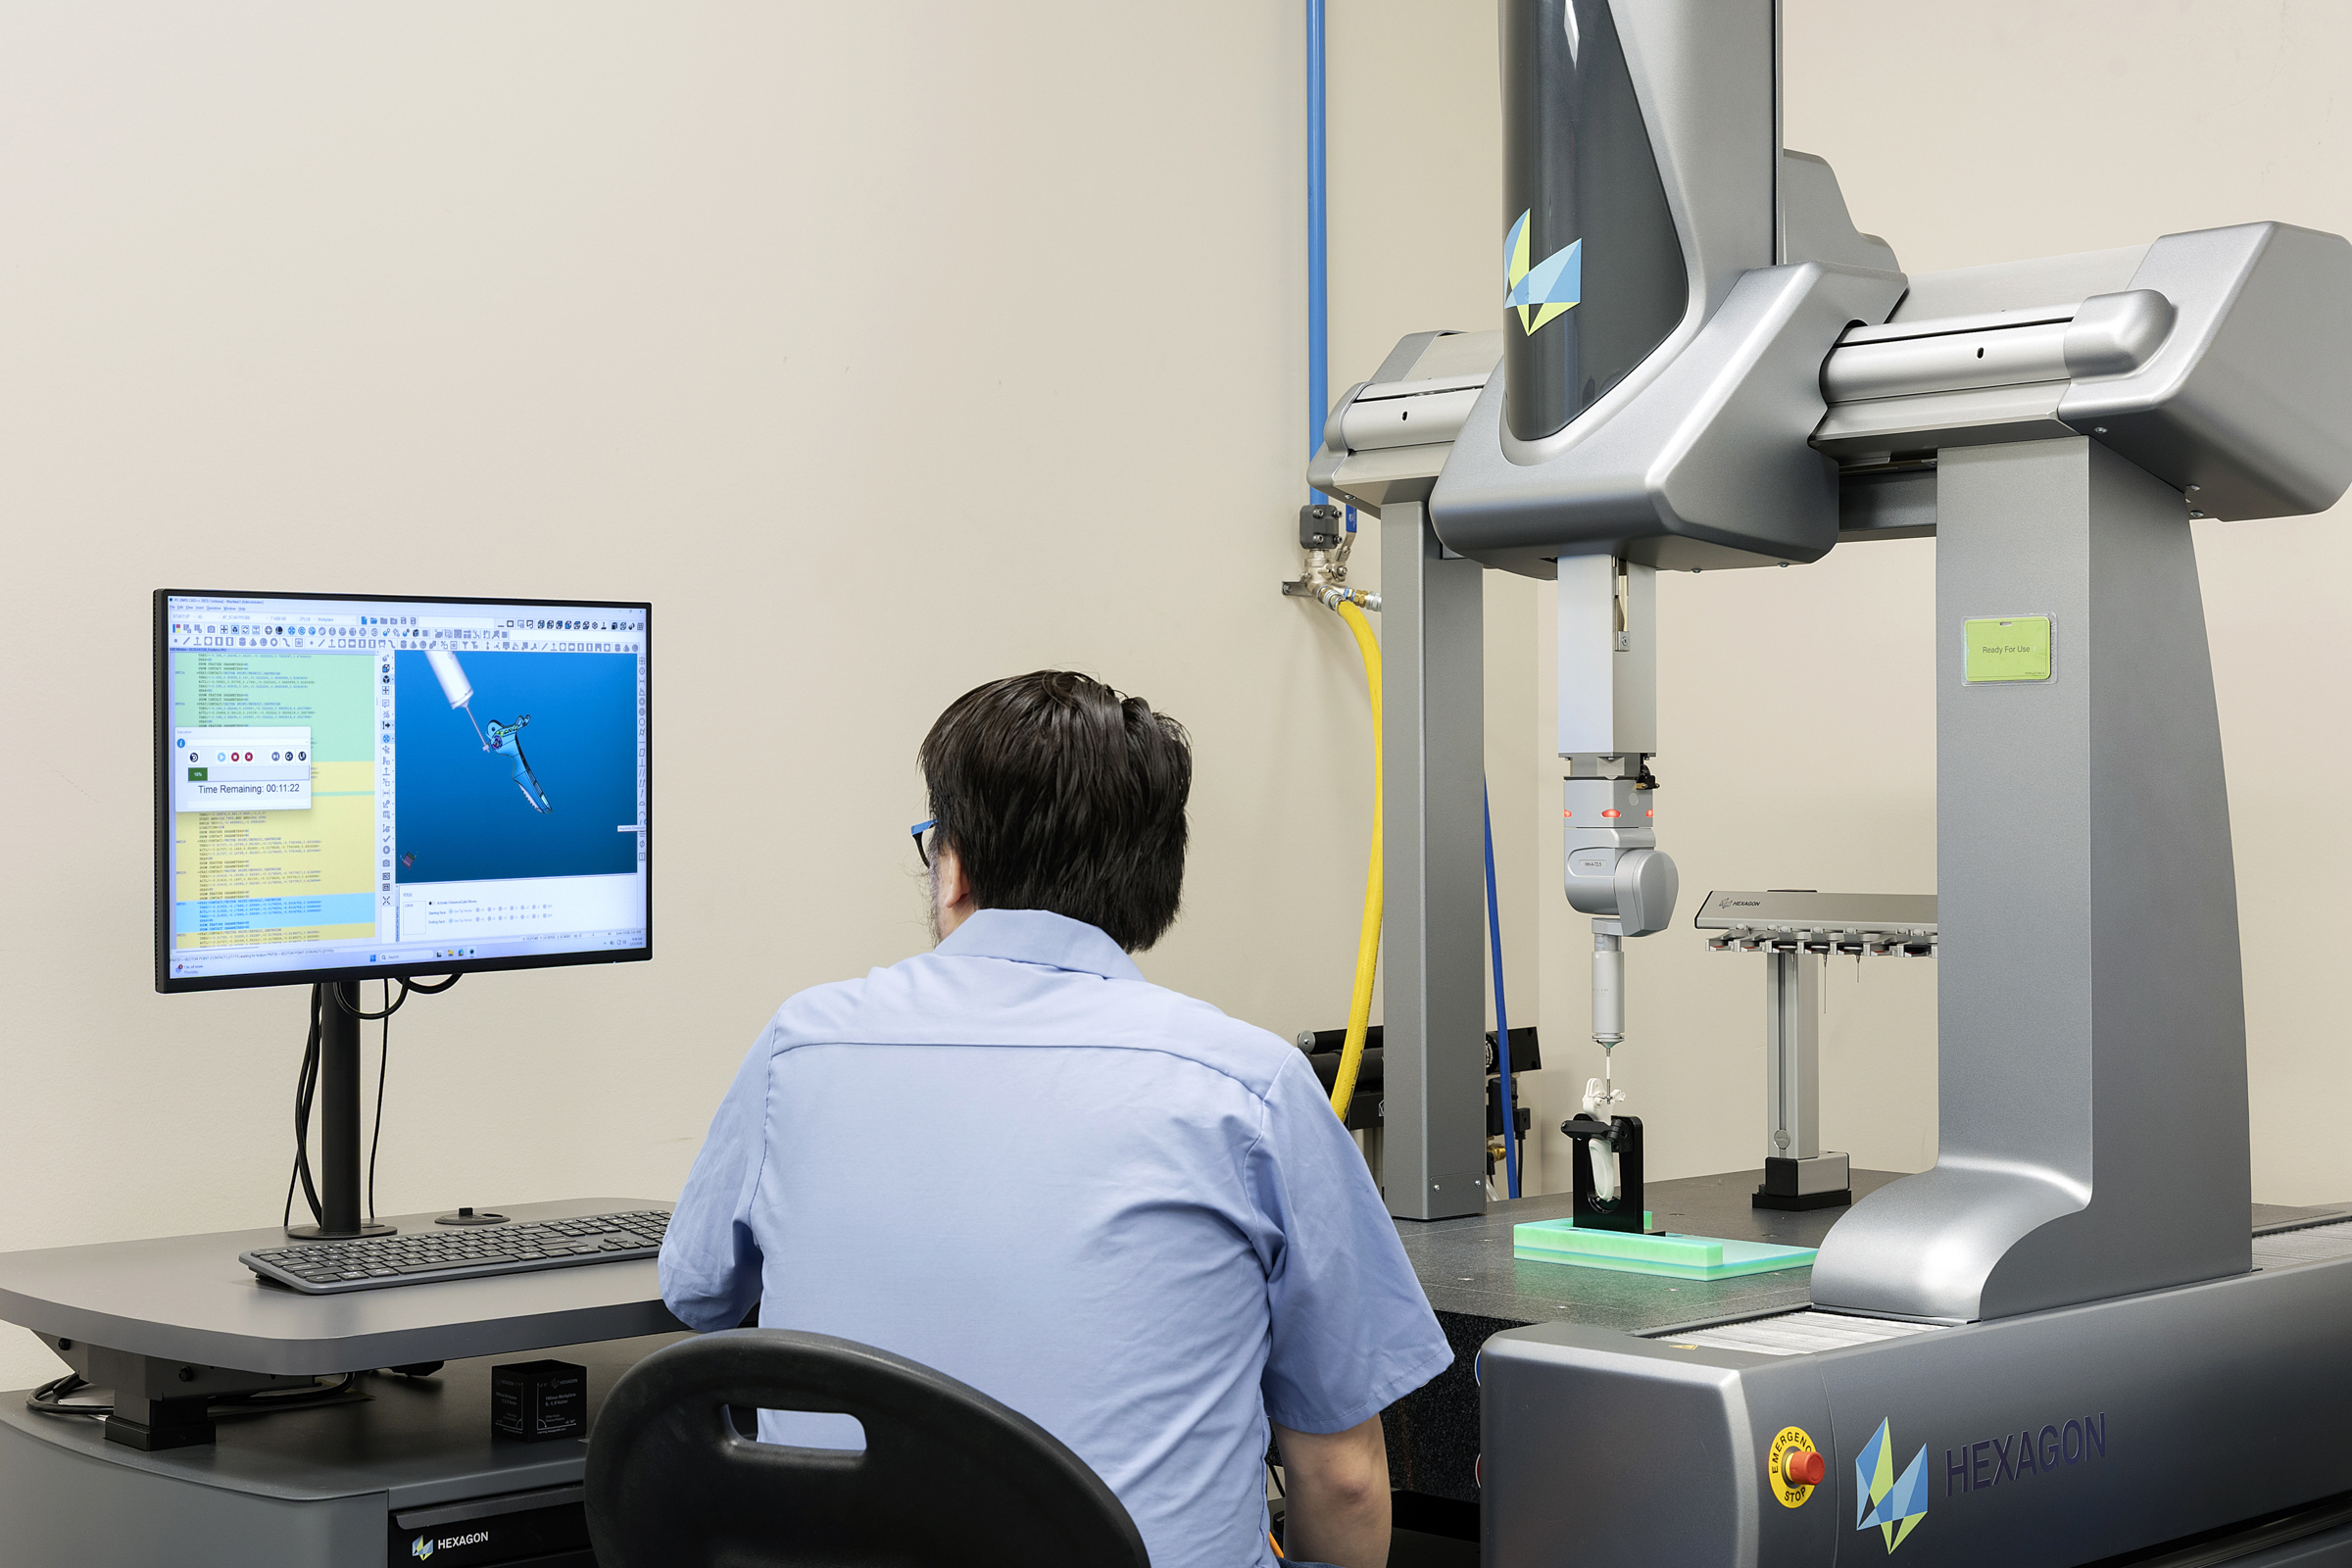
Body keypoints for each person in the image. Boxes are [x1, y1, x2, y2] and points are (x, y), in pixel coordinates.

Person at [660, 670, 1451, 1568]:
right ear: (1157, 882)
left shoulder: (797, 1047)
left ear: (952, 864)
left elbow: (698, 1294)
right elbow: (1343, 1477)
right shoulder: (1248, 1085)